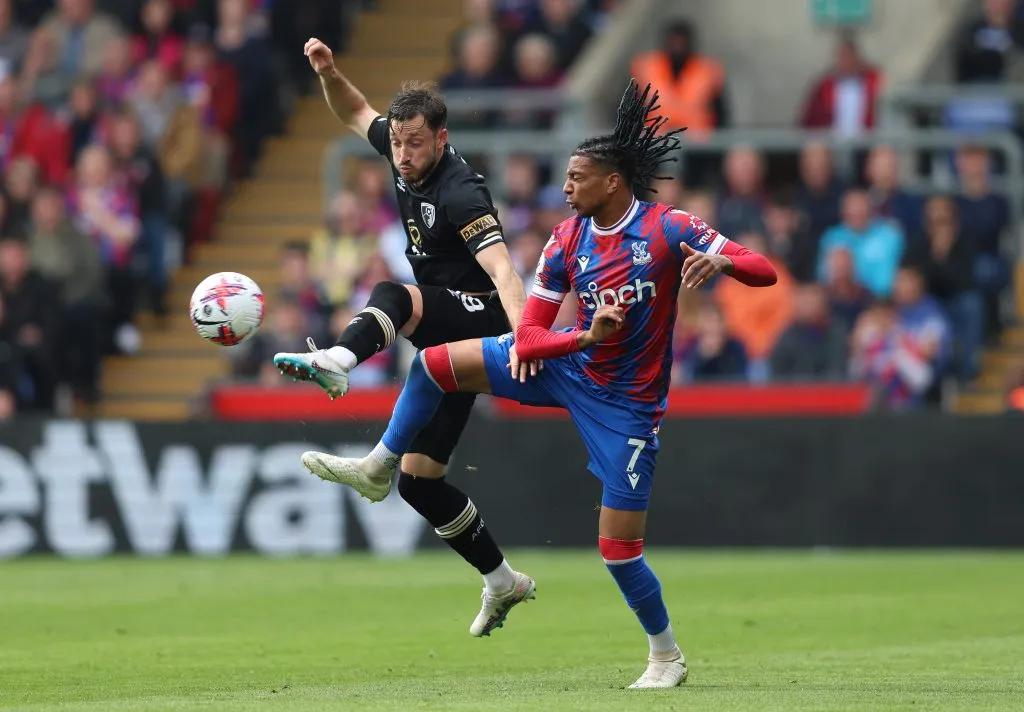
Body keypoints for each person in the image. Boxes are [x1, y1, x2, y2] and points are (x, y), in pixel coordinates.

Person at [298, 82, 777, 688]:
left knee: (618, 550)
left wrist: (727, 262)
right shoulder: (566, 242)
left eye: (578, 177)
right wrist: (581, 338)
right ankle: (380, 463)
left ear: (613, 182)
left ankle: (665, 656)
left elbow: (766, 270)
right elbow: (528, 338)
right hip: (570, 365)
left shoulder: (670, 229)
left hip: (628, 405)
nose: (566, 187)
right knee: (434, 363)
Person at [273, 38, 535, 639]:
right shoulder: (396, 147)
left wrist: (524, 338)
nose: (403, 152)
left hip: (485, 320)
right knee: (420, 484)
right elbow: (354, 110)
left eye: (415, 143)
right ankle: (502, 581)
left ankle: (340, 360)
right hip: (447, 343)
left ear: (441, 138)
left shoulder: (460, 190)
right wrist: (330, 73)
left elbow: (504, 270)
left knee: (397, 295)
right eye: (397, 142)